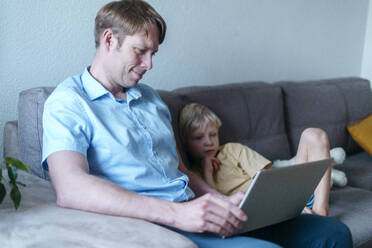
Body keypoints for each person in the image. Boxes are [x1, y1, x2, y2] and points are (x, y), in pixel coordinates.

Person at [42, 0, 352, 247]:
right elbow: (70, 187)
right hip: (152, 225)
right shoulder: (69, 102)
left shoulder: (150, 100)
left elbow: (182, 172)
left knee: (332, 232)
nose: (149, 64)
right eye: (141, 50)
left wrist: (218, 200)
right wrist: (179, 213)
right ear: (109, 39)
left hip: (193, 211)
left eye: (153, 53)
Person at [179, 103, 329, 215]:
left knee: (314, 134)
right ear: (185, 142)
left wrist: (290, 203)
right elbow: (218, 207)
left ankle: (321, 212)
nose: (208, 142)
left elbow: (269, 180)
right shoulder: (193, 177)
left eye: (212, 134)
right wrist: (207, 172)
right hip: (261, 212)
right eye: (199, 137)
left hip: (283, 195)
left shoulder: (231, 150)